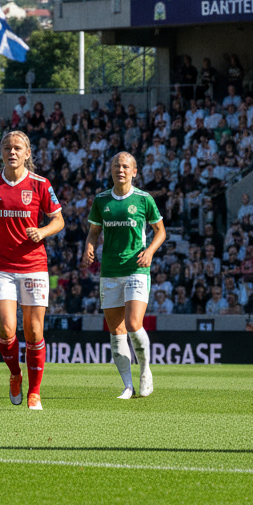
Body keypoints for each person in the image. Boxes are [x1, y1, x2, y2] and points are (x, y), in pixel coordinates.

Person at [0, 130, 64, 410]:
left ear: (27, 154)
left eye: (18, 148)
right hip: (1, 265)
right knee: (7, 328)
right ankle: (15, 374)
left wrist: (43, 231)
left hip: (34, 266)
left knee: (34, 331)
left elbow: (58, 220)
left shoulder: (40, 184)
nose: (12, 152)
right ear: (1, 152)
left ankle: (34, 392)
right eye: (7, 148)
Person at [83, 152, 166, 400]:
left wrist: (150, 251)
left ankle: (145, 371)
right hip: (109, 271)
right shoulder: (101, 200)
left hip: (136, 268)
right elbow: (93, 232)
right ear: (111, 170)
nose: (121, 169)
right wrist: (89, 246)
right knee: (116, 329)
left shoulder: (143, 199)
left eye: (125, 166)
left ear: (134, 171)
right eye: (117, 166)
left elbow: (160, 231)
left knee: (132, 324)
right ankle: (127, 385)